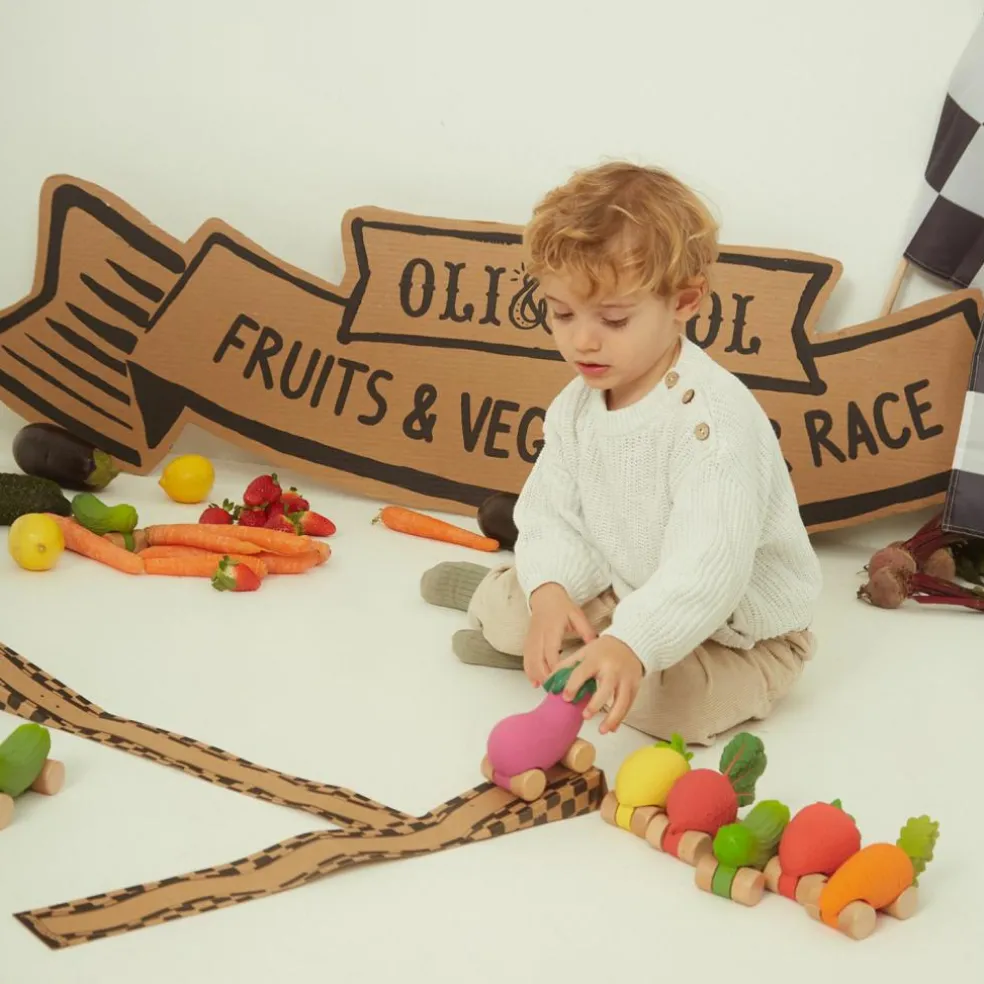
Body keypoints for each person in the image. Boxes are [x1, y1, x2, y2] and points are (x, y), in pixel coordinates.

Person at [421, 160, 822, 746]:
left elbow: (708, 569)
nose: (582, 340)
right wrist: (552, 587)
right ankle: (502, 605)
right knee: (528, 601)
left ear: (684, 302)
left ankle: (585, 657)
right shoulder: (578, 405)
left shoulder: (711, 428)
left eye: (613, 319)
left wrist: (632, 643)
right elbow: (551, 510)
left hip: (737, 629)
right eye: (561, 314)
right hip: (627, 582)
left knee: (669, 708)